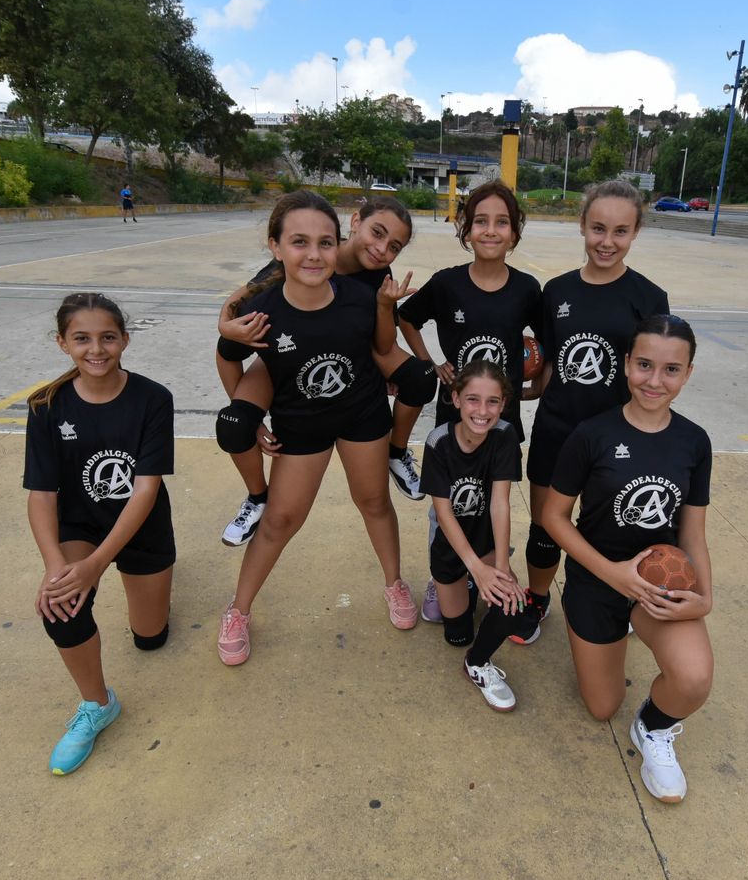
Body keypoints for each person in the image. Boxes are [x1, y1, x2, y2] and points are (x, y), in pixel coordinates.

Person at [214, 191, 419, 665]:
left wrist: (398, 343)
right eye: (299, 242)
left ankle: (394, 583)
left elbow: (384, 346)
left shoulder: (361, 295)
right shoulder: (262, 311)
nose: (314, 254)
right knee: (281, 520)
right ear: (276, 247)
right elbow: (228, 357)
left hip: (361, 416)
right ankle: (239, 609)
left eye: (325, 243)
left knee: (373, 502)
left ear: (339, 243)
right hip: (300, 423)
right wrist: (249, 412)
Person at [539, 314, 714, 804]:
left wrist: (703, 598)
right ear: (625, 365)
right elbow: (554, 517)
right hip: (599, 580)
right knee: (601, 706)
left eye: (671, 370)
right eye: (644, 365)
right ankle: (609, 627)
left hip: (660, 584)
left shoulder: (694, 441)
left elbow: (693, 531)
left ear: (688, 374)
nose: (655, 381)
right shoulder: (591, 435)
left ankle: (653, 729)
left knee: (694, 678)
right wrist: (613, 573)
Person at [214, 195, 437, 547]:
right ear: (354, 222)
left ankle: (395, 453)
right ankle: (257, 497)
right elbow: (236, 303)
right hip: (288, 353)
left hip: (346, 351)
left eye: (394, 246)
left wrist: (384, 372)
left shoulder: (378, 273)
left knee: (420, 378)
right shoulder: (301, 261)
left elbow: (379, 337)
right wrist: (225, 328)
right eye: (376, 233)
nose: (381, 249)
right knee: (236, 424)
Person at [23, 292, 175, 775]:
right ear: (62, 343)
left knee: (150, 639)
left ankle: (163, 578)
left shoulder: (153, 398)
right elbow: (42, 494)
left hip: (141, 522)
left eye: (108, 337)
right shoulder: (46, 405)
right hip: (81, 525)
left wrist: (98, 565)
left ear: (125, 340)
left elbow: (146, 488)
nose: (96, 349)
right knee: (62, 608)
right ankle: (97, 704)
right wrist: (59, 567)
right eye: (82, 338)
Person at [521, 180, 669, 641]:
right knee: (545, 525)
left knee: (609, 531)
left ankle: (612, 601)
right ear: (582, 226)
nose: (607, 241)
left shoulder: (649, 298)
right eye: (598, 228)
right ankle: (538, 597)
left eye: (620, 232)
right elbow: (548, 362)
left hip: (615, 439)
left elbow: (651, 371)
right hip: (557, 429)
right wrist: (518, 392)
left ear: (636, 233)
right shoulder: (556, 291)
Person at [397, 180, 542, 627]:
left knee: (494, 498)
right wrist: (431, 363)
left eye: (502, 222)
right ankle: (444, 574)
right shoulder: (446, 284)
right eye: (481, 221)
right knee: (447, 502)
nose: (491, 230)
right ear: (466, 229)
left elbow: (548, 345)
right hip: (453, 417)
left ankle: (491, 565)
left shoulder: (527, 289)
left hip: (501, 419)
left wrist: (538, 388)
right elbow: (405, 316)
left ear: (514, 233)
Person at [421, 360, 531, 711]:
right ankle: (451, 583)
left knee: (516, 613)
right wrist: (474, 569)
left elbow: (500, 503)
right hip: (451, 546)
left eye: (493, 402)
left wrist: (498, 567)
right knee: (457, 634)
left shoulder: (505, 435)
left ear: (503, 404)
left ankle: (478, 662)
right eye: (472, 399)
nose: (482, 411)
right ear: (455, 399)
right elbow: (444, 513)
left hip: (485, 544)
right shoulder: (438, 441)